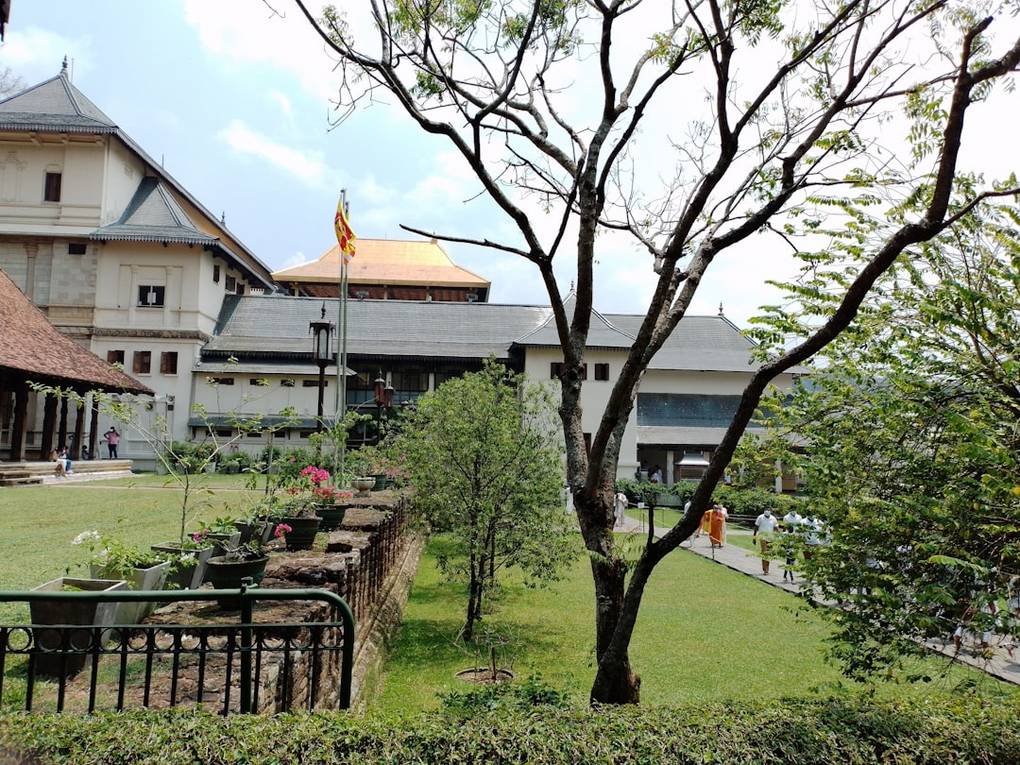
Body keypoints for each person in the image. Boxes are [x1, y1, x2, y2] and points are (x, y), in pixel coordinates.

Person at [752, 508, 779, 576]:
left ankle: (767, 568)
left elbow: (776, 528)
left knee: (769, 554)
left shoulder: (773, 518)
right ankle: (765, 569)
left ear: (770, 512)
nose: (767, 512)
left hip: (771, 538)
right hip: (762, 537)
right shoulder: (760, 517)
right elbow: (756, 527)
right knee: (765, 552)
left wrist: (779, 536)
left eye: (768, 510)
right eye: (766, 510)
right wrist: (754, 537)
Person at [781, 508, 804, 582]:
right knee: (790, 562)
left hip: (794, 547)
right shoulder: (784, 534)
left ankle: (785, 576)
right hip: (788, 548)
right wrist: (786, 548)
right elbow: (782, 543)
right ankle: (792, 578)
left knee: (789, 562)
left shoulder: (795, 535)